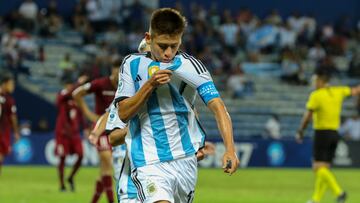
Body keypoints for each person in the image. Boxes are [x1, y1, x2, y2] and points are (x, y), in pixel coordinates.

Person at [115, 8, 239, 203]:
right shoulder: (130, 64)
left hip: (185, 161)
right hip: (148, 161)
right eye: (163, 46)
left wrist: (230, 149)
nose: (168, 53)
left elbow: (218, 107)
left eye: (174, 45)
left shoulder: (191, 66)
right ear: (148, 38)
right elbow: (123, 113)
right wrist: (150, 85)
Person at [296, 69, 360, 203]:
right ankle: (316, 199)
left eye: (315, 80)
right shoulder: (338, 91)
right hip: (335, 134)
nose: (313, 83)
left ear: (320, 81)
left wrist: (301, 130)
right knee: (324, 168)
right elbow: (355, 91)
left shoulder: (316, 95)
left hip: (322, 133)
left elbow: (308, 115)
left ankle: (339, 192)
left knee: (318, 168)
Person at [73, 57, 121, 203]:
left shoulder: (125, 86)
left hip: (117, 129)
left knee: (104, 170)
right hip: (101, 128)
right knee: (107, 160)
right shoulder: (101, 84)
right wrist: (89, 115)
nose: (119, 74)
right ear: (112, 71)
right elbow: (77, 94)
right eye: (117, 70)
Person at [54, 77, 86, 192]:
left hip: (74, 133)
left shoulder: (76, 99)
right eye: (68, 85)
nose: (69, 88)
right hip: (62, 133)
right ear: (65, 86)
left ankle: (71, 177)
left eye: (70, 85)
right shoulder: (62, 96)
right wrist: (78, 83)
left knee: (81, 155)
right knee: (62, 157)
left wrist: (85, 128)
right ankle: (62, 185)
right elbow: (59, 100)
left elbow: (80, 114)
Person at [0, 73, 20, 175]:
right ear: (4, 84)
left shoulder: (9, 99)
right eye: (11, 84)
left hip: (4, 130)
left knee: (2, 154)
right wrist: (16, 132)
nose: (12, 86)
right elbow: (13, 117)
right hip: (2, 132)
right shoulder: (8, 100)